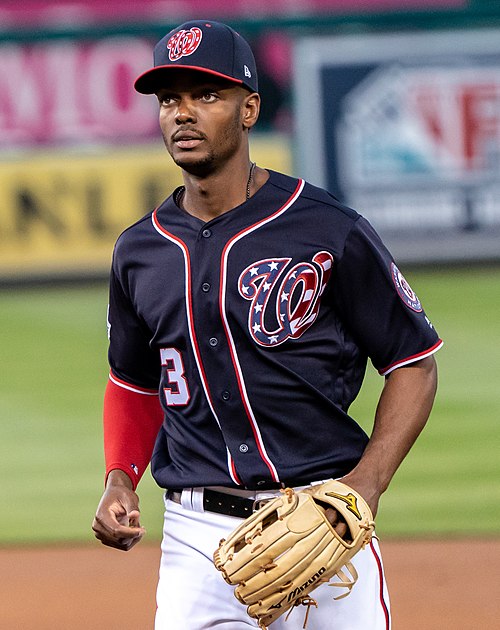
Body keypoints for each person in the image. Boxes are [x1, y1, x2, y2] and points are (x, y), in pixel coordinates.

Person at [92, 20, 442, 629]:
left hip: (324, 521)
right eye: (170, 98)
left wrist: (365, 485)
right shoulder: (138, 251)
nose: (183, 114)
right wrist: (120, 478)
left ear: (250, 108)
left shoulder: (328, 227)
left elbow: (413, 363)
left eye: (207, 95)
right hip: (198, 542)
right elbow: (134, 382)